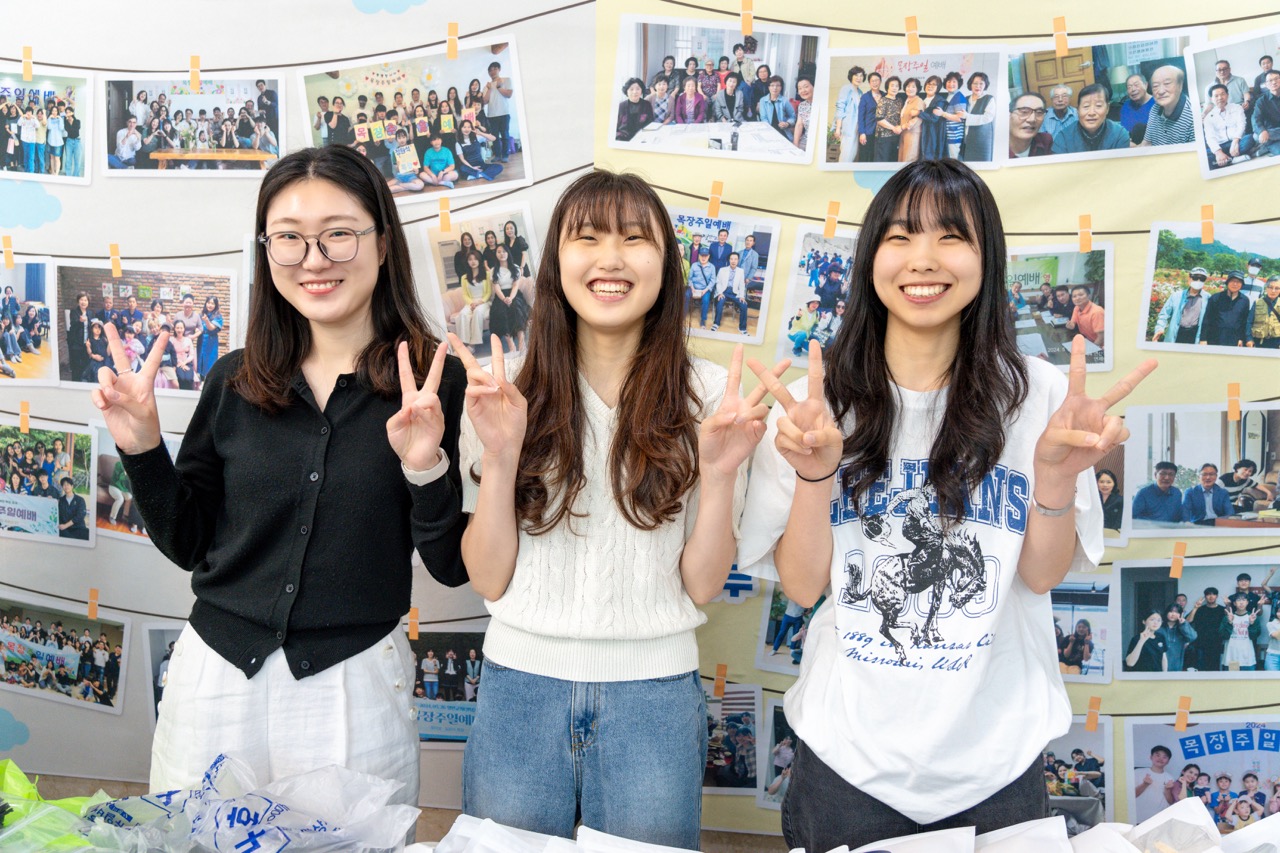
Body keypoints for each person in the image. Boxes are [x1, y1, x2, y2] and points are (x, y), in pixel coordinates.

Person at [737, 159, 1152, 849]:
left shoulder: (1041, 397)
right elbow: (805, 587)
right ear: (871, 257)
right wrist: (815, 476)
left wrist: (1053, 479)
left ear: (987, 257)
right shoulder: (817, 402)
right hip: (848, 764)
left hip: (997, 763)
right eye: (900, 236)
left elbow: (1041, 574)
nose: (923, 258)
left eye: (951, 236)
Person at [89, 146, 469, 806]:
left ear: (383, 242)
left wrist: (424, 466)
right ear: (266, 251)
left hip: (353, 683)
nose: (313, 260)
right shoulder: (234, 379)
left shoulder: (438, 383)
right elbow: (189, 543)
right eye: (288, 238)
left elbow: (450, 564)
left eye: (338, 234)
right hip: (214, 677)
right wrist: (143, 447)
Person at [455, 170, 766, 849]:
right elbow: (487, 577)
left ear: (666, 264)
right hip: (519, 689)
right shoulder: (503, 392)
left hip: (654, 698)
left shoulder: (712, 396)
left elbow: (703, 584)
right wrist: (501, 455)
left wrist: (718, 475)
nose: (611, 259)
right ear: (556, 261)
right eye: (588, 237)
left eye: (634, 239)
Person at [1051, 84, 1129, 154]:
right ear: (1078, 110)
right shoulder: (1063, 138)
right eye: (1086, 106)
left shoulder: (1119, 134)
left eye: (1098, 106)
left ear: (1107, 109)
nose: (1091, 113)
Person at [487, 243, 530, 355]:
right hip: (500, 296)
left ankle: (521, 344)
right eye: (499, 252)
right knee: (501, 312)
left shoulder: (515, 268)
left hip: (514, 294)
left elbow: (515, 285)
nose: (502, 254)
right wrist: (504, 299)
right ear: (496, 254)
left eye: (504, 251)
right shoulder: (493, 270)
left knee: (517, 309)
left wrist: (510, 298)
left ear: (508, 253)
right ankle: (511, 346)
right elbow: (496, 287)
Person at [1152, 266, 1209, 344]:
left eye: (1202, 279)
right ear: (1189, 278)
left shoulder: (1208, 298)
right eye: (1195, 277)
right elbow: (1164, 315)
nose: (1198, 281)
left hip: (1194, 335)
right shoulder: (1176, 296)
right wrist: (1159, 329)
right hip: (1176, 334)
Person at [1142, 66, 1196, 146]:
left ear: (1180, 85)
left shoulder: (1192, 116)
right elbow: (1147, 143)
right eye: (1155, 86)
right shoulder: (1155, 108)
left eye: (1167, 84)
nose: (1161, 91)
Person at [1201, 270, 1251, 347]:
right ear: (1227, 282)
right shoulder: (1215, 298)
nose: (1235, 284)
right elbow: (1207, 319)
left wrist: (1241, 338)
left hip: (1234, 340)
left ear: (1242, 284)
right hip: (1214, 339)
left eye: (1238, 282)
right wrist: (1203, 339)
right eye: (1232, 281)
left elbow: (1244, 322)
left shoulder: (1244, 300)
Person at [1187, 588, 1231, 671]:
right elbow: (1188, 621)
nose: (1211, 596)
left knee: (1215, 669)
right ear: (1205, 597)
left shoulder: (1222, 609)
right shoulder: (1200, 609)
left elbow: (1230, 620)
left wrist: (1228, 605)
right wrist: (1195, 608)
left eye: (1213, 594)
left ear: (1216, 596)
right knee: (1200, 669)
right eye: (1208, 594)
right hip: (1200, 643)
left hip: (1216, 643)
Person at [455, 251, 491, 348]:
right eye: (470, 259)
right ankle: (463, 343)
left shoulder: (487, 274)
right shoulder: (464, 277)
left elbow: (488, 292)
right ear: (467, 262)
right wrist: (472, 303)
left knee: (477, 312)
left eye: (475, 259)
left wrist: (480, 302)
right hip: (470, 303)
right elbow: (465, 294)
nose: (473, 261)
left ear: (479, 260)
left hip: (484, 302)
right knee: (462, 314)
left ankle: (473, 345)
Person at [958, 72, 995, 161]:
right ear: (970, 85)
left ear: (985, 85)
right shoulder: (965, 99)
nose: (978, 86)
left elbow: (988, 118)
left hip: (981, 140)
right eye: (975, 83)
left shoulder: (989, 98)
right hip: (965, 140)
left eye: (981, 83)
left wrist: (967, 116)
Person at [833, 66, 866, 162]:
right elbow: (840, 108)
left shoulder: (860, 92)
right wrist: (838, 128)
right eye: (856, 75)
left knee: (852, 154)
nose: (859, 78)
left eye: (861, 76)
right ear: (851, 76)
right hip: (847, 127)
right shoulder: (846, 89)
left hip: (856, 128)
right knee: (846, 155)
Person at [481, 61, 513, 163]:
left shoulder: (506, 80)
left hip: (504, 113)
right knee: (494, 137)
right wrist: (489, 89)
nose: (493, 71)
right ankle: (497, 155)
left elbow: (509, 94)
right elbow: (485, 101)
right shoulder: (487, 86)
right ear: (488, 73)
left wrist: (499, 87)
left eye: (495, 69)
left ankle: (505, 155)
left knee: (505, 135)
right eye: (490, 70)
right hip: (491, 115)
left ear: (499, 69)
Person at [1133, 746, 1174, 822]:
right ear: (1151, 757)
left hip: (1160, 819)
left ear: (1168, 761)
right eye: (1157, 755)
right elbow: (1130, 796)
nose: (1160, 759)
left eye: (1164, 757)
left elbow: (1171, 802)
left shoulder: (1170, 778)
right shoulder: (1137, 772)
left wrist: (1167, 790)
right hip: (1140, 817)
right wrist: (1145, 784)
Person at [713, 251, 749, 334]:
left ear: (738, 260)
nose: (733, 261)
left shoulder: (741, 271)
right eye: (731, 259)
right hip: (724, 291)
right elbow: (718, 282)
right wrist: (720, 293)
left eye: (735, 259)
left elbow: (742, 285)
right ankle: (716, 324)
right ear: (729, 260)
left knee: (744, 305)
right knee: (720, 301)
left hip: (735, 293)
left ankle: (742, 328)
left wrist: (742, 296)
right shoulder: (722, 270)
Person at [1009, 92, 1053, 158]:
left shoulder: (1045, 140)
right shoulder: (994, 148)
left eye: (1039, 112)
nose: (1032, 119)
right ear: (1009, 115)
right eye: (1024, 112)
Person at [873, 76, 905, 162]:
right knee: (882, 161)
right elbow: (879, 119)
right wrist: (893, 128)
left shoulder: (899, 100)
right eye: (892, 85)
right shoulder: (883, 100)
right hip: (884, 137)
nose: (894, 88)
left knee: (893, 161)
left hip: (896, 137)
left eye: (897, 86)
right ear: (887, 87)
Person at [1157, 605, 1197, 672]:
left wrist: (1183, 624)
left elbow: (1193, 637)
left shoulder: (1182, 628)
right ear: (1166, 613)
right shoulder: (1159, 627)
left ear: (1180, 614)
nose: (1173, 614)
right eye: (1171, 611)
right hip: (1159, 665)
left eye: (1176, 612)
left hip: (1176, 666)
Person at [1225, 595, 1258, 670]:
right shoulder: (1228, 617)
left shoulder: (1252, 616)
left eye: (1243, 600)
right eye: (1238, 600)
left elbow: (1254, 636)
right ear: (1234, 603)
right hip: (1232, 656)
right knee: (1233, 677)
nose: (1241, 603)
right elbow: (1223, 635)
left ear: (1247, 602)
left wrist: (1251, 623)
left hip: (1248, 658)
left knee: (1248, 678)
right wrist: (1229, 622)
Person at [856, 73, 884, 162]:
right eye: (872, 81)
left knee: (877, 157)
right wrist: (862, 133)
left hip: (882, 133)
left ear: (880, 82)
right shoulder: (865, 97)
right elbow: (860, 116)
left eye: (877, 80)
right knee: (865, 157)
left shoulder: (885, 95)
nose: (875, 83)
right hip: (868, 132)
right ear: (869, 83)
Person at [897, 78, 925, 162]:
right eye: (908, 86)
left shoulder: (918, 101)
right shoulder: (907, 100)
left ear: (917, 89)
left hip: (913, 134)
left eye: (913, 87)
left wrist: (902, 127)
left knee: (909, 160)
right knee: (902, 159)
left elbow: (918, 119)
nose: (910, 89)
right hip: (904, 133)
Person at [689, 245, 716, 329]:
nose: (703, 258)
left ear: (708, 256)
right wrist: (692, 288)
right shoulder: (694, 265)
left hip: (705, 289)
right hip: (694, 288)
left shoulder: (712, 267)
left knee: (706, 300)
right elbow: (690, 279)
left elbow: (713, 281)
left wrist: (705, 290)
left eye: (705, 256)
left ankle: (703, 320)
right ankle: (681, 316)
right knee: (686, 296)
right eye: (702, 256)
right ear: (699, 256)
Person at [1249, 276, 1280, 347]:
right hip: (1258, 341)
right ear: (1266, 288)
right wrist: (1249, 339)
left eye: (1277, 288)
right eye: (1270, 287)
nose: (1273, 291)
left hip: (1277, 342)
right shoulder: (1257, 302)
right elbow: (1249, 322)